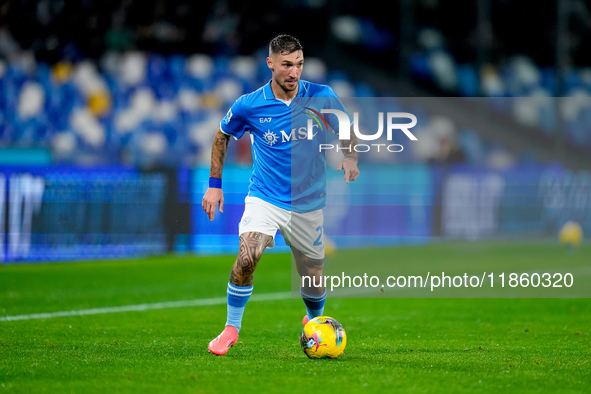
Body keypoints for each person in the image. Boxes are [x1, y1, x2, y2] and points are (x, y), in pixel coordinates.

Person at [202, 34, 360, 356]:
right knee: (248, 257)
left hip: (308, 202)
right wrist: (214, 185)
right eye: (287, 65)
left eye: (299, 64)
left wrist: (350, 156)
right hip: (265, 198)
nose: (294, 72)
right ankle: (232, 327)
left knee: (312, 276)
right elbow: (222, 135)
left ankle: (314, 323)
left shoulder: (321, 96)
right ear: (270, 64)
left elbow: (345, 126)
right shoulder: (249, 104)